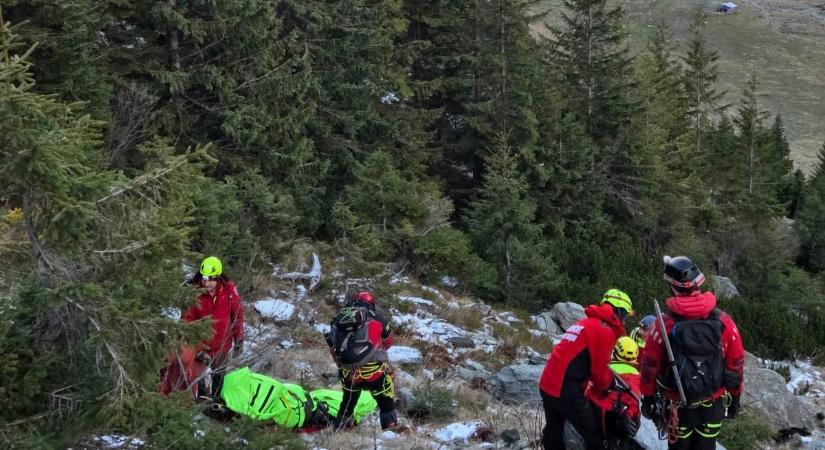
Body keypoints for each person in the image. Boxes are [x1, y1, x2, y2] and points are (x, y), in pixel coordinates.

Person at [639, 256, 745, 450]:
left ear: (672, 286)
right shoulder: (723, 321)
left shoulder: (663, 324)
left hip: (677, 405)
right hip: (712, 402)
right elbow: (736, 361)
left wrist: (647, 397)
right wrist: (735, 396)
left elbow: (649, 365)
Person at [538, 289, 634, 450]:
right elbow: (600, 376)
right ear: (618, 311)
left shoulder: (584, 323)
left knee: (553, 431)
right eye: (625, 315)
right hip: (566, 391)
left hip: (547, 384)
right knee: (596, 434)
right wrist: (610, 385)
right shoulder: (604, 331)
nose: (624, 320)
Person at [325, 299, 397, 430]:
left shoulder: (340, 318)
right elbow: (388, 341)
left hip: (349, 373)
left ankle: (341, 428)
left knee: (348, 402)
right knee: (385, 401)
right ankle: (390, 430)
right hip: (373, 371)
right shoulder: (377, 318)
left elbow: (332, 344)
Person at [182, 256, 244, 397]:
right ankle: (200, 402)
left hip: (222, 344)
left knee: (219, 377)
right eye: (204, 278)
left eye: (210, 279)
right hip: (201, 345)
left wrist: (239, 339)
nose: (206, 283)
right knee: (197, 379)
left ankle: (216, 403)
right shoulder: (194, 292)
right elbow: (185, 322)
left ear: (218, 278)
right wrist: (197, 348)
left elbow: (237, 316)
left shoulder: (229, 291)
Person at [586, 337, 643, 449]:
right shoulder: (638, 378)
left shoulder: (604, 371)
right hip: (621, 429)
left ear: (615, 352)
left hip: (598, 423)